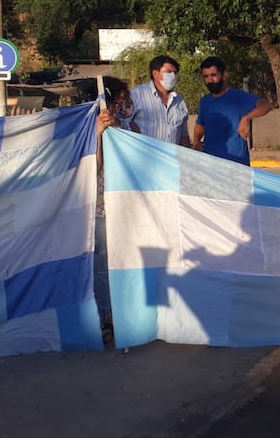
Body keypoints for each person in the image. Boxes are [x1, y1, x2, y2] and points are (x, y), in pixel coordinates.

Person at [95, 76, 140, 343]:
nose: (124, 105)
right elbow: (93, 167)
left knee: (128, 260)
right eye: (119, 99)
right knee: (102, 267)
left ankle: (128, 312)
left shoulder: (129, 127)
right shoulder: (89, 128)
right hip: (101, 209)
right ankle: (106, 318)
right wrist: (99, 135)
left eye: (126, 100)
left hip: (128, 207)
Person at [193, 56, 273, 166]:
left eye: (214, 75)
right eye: (206, 76)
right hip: (210, 165)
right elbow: (200, 125)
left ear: (224, 74)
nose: (210, 80)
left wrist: (246, 118)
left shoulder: (238, 97)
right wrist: (196, 141)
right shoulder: (205, 101)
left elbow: (266, 105)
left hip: (237, 164)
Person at [131, 55, 191, 146]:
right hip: (144, 157)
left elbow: (183, 135)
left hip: (171, 158)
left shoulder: (179, 101)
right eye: (168, 72)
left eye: (175, 73)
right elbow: (123, 124)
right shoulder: (137, 95)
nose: (173, 76)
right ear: (155, 73)